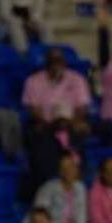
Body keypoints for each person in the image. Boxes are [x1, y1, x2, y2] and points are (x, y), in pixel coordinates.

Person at [21, 48, 93, 186]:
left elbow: (82, 108)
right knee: (39, 135)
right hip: (46, 124)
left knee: (82, 129)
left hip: (71, 123)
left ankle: (77, 175)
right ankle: (51, 179)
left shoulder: (77, 79)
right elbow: (34, 110)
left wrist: (71, 122)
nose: (56, 66)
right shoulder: (33, 81)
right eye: (52, 62)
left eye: (59, 62)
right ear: (47, 64)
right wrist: (51, 123)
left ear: (64, 63)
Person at [33, 152, 95, 223]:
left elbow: (81, 213)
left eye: (71, 168)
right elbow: (40, 214)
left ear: (76, 170)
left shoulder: (80, 188)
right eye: (64, 169)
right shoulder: (49, 188)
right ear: (60, 171)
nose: (68, 172)